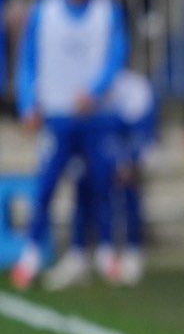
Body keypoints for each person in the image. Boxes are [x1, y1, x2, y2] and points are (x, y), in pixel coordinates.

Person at [10, 0, 128, 290]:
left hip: (96, 115)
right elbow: (28, 59)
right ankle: (31, 255)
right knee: (45, 187)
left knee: (101, 185)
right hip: (57, 114)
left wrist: (95, 90)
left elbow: (117, 53)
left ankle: (105, 253)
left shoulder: (108, 11)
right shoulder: (44, 11)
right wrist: (27, 103)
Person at [45, 69, 157, 289]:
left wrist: (129, 158)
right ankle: (80, 254)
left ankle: (131, 252)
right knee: (83, 191)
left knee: (128, 191)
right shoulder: (81, 81)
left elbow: (141, 126)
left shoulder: (133, 86)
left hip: (120, 154)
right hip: (90, 152)